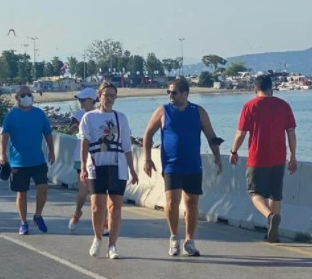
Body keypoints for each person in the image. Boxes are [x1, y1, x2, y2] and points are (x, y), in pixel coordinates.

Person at [142, 77, 223, 257]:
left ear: (185, 94)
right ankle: (173, 237)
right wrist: (147, 159)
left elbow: (211, 136)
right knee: (172, 202)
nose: (170, 95)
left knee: (192, 202)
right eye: (168, 92)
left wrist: (218, 158)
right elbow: (147, 135)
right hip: (171, 164)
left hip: (193, 164)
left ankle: (189, 240)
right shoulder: (163, 111)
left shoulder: (198, 111)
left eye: (174, 92)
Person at [229, 74, 297, 243]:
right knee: (275, 195)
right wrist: (293, 156)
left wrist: (234, 151)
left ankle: (270, 216)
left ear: (255, 89)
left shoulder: (250, 106)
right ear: (271, 87)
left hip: (257, 158)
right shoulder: (284, 105)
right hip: (279, 157)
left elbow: (241, 134)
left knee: (254, 193)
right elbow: (291, 133)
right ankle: (272, 232)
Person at [80, 82, 138, 259]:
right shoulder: (89, 118)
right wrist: (83, 166)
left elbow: (127, 146)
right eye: (107, 95)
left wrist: (132, 169)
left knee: (115, 207)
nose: (110, 98)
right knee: (98, 206)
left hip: (117, 165)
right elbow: (85, 143)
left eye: (113, 95)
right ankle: (98, 237)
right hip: (96, 166)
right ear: (99, 96)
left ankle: (112, 245)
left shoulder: (121, 118)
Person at [0, 85, 55, 235]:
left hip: (38, 160)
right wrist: (2, 154)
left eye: (29, 94)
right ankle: (23, 222)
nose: (26, 97)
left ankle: (38, 215)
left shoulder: (39, 114)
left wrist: (52, 151)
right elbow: (4, 135)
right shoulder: (11, 115)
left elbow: (48, 133)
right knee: (21, 193)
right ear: (17, 98)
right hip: (19, 162)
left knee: (43, 189)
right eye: (23, 95)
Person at [68, 87, 101, 232]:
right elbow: (72, 128)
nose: (80, 102)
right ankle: (77, 212)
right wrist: (75, 127)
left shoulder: (100, 114)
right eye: (79, 99)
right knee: (83, 193)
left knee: (100, 193)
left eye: (83, 99)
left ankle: (103, 222)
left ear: (91, 100)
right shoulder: (78, 114)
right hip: (80, 157)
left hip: (98, 157)